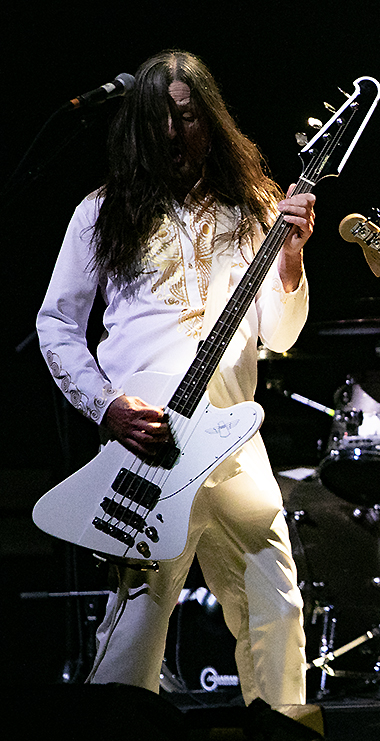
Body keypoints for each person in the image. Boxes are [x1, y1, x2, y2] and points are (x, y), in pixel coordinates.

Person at [36, 50, 315, 707]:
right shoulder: (101, 212)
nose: (173, 132)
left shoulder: (255, 208)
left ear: (211, 121)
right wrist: (107, 407)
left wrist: (290, 262)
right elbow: (57, 325)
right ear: (137, 125)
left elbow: (280, 334)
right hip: (150, 443)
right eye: (159, 118)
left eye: (188, 118)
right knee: (139, 617)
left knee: (276, 604)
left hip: (234, 442)